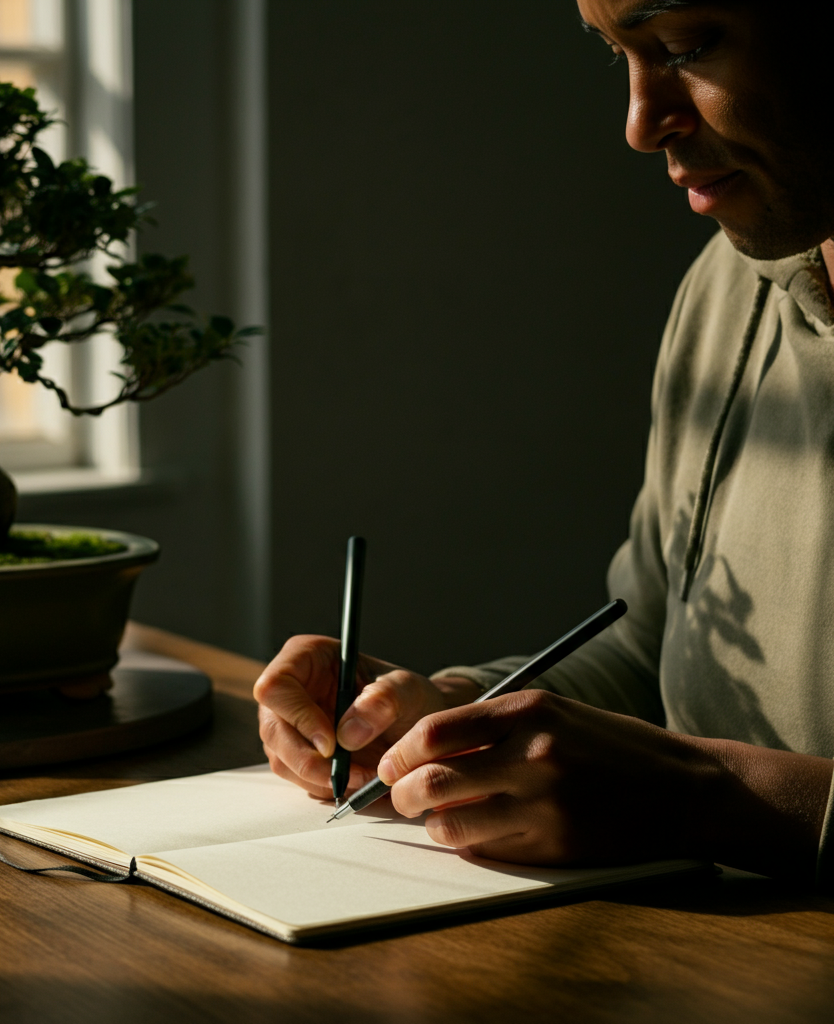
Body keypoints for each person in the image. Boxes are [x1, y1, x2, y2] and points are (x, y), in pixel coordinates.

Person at [253, 0, 834, 887]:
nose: (641, 125)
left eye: (685, 45)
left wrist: (713, 794)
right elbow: (651, 653)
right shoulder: (730, 290)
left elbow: (695, 773)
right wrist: (445, 714)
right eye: (618, 58)